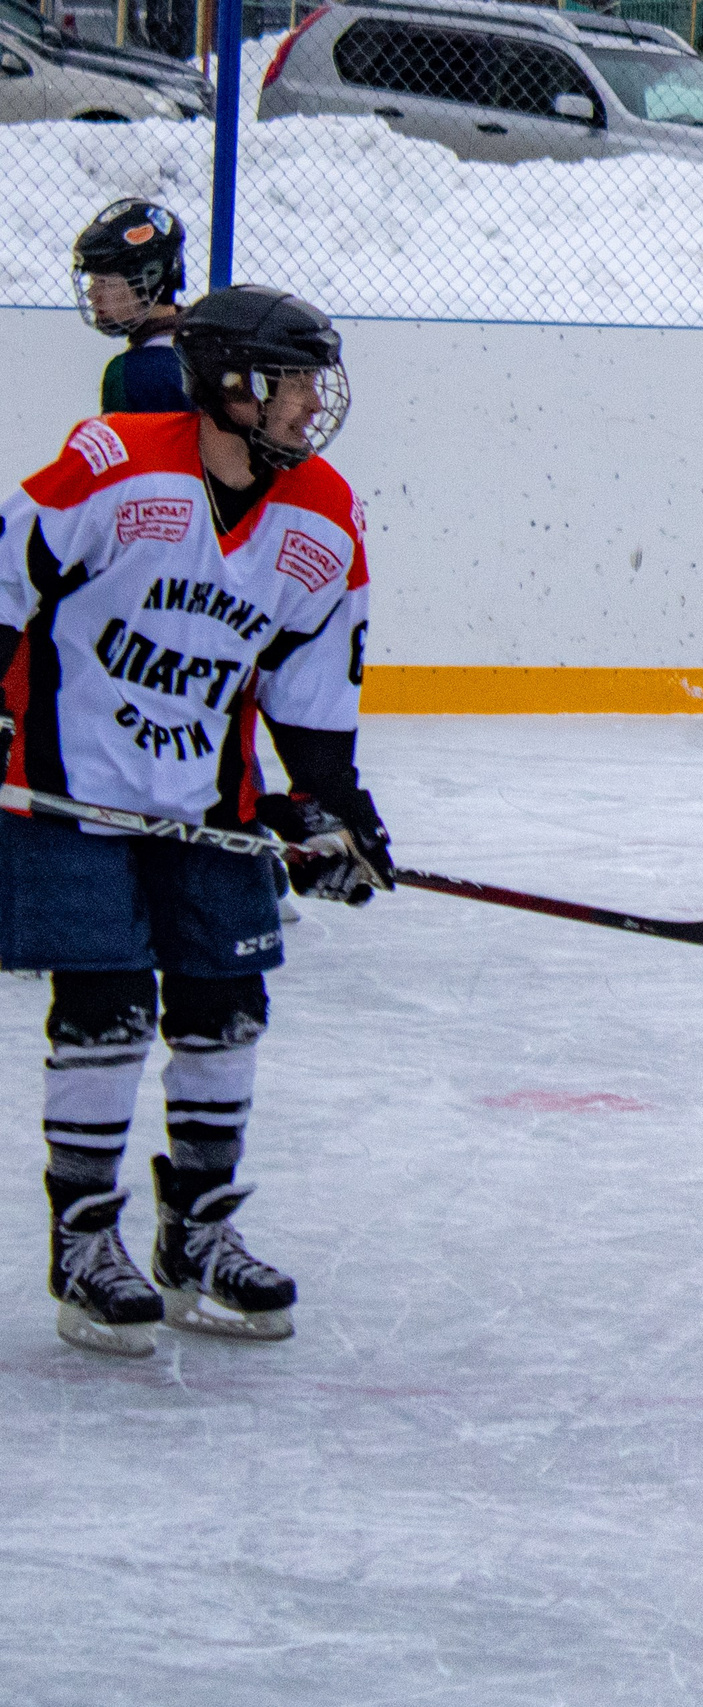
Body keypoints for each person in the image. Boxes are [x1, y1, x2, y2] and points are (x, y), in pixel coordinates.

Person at [1, 284, 391, 1358]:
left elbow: (312, 697)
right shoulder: (112, 464)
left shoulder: (324, 517)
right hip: (64, 794)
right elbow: (1, 582)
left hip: (205, 807)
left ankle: (197, 1235)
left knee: (227, 1010)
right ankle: (85, 1241)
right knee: (108, 1008)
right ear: (234, 385)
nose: (316, 402)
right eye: (299, 380)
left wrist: (331, 814)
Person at [73, 199, 192, 415]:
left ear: (150, 277)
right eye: (92, 282)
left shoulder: (129, 372)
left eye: (104, 283)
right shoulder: (208, 349)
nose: (92, 294)